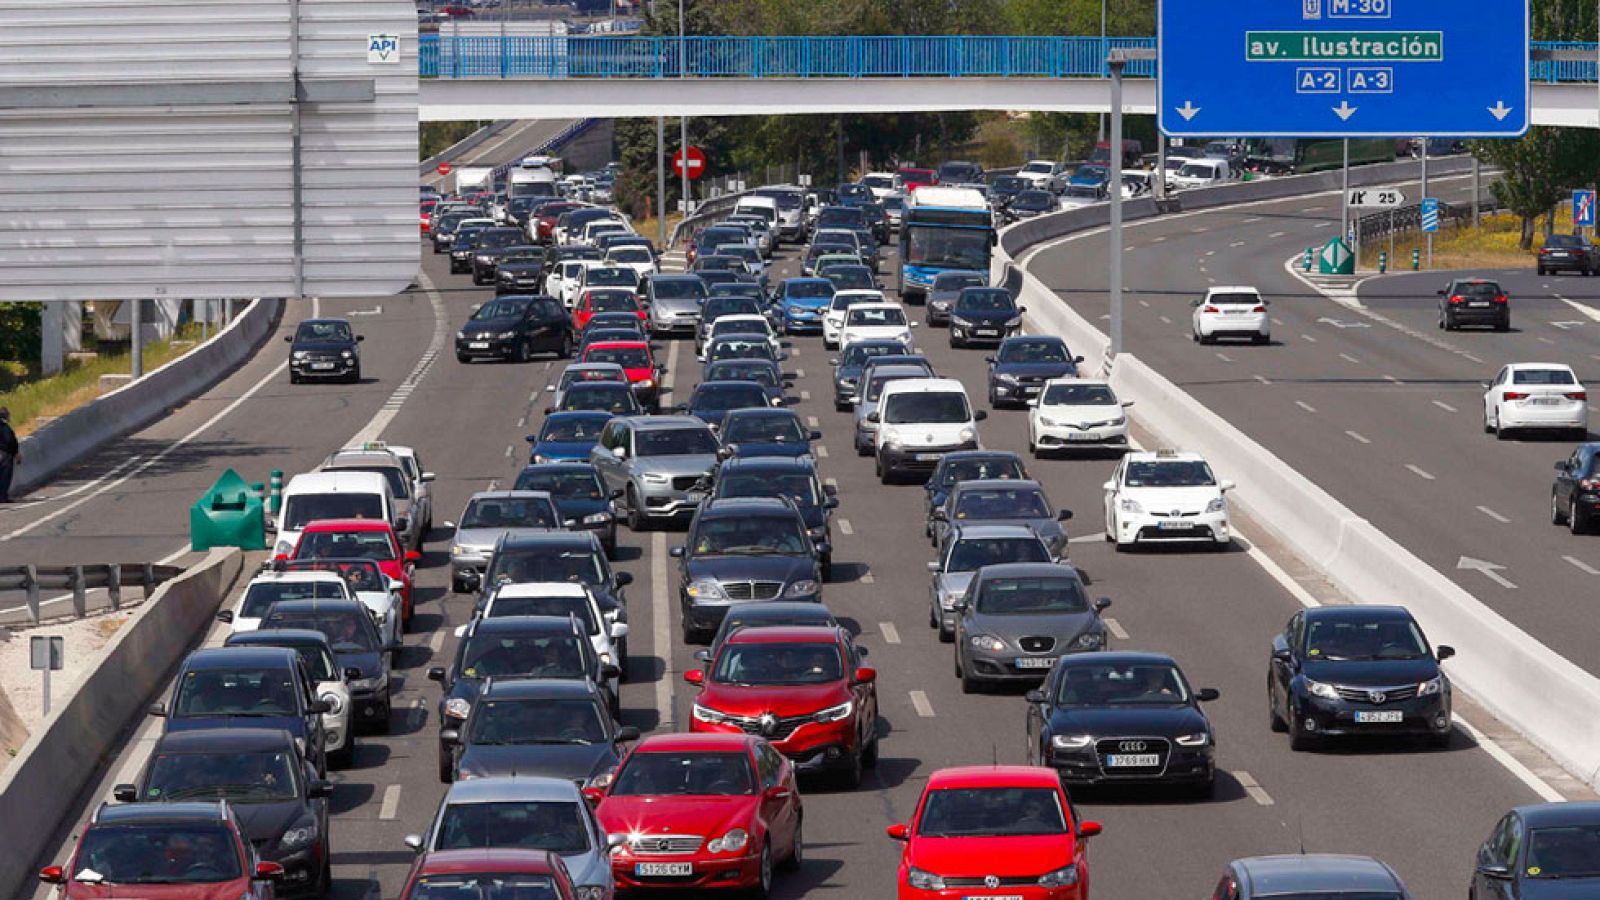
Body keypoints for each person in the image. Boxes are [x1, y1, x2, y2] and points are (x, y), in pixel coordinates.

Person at [0, 407, 19, 503]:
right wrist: (16, 452)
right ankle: (2, 496)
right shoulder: (4, 426)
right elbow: (9, 440)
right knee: (5, 475)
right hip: (5, 453)